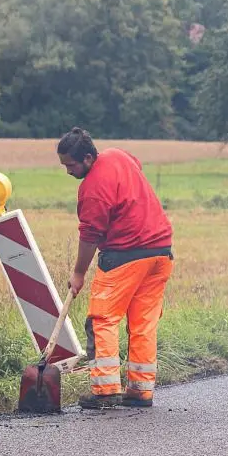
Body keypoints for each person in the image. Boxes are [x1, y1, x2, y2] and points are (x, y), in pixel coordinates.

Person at [58, 127, 173, 409]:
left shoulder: (92, 190)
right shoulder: (117, 155)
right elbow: (135, 166)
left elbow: (90, 235)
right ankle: (140, 390)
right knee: (143, 322)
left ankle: (105, 389)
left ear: (87, 158)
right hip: (161, 253)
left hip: (125, 256)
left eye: (71, 165)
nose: (68, 171)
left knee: (102, 319)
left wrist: (78, 273)